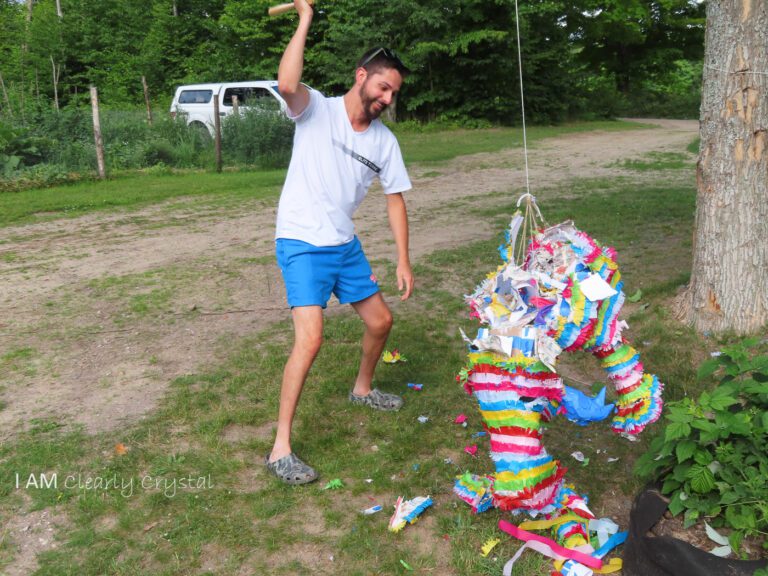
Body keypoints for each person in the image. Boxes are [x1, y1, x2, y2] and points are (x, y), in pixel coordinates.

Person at [266, 0, 414, 485]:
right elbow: (287, 84)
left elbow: (395, 199)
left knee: (381, 320)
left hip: (343, 244)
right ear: (360, 77)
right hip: (302, 241)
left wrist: (403, 259)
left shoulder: (384, 142)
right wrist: (305, 17)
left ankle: (363, 389)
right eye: (383, 86)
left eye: (394, 92)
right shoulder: (317, 111)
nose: (387, 98)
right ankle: (280, 449)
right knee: (310, 339)